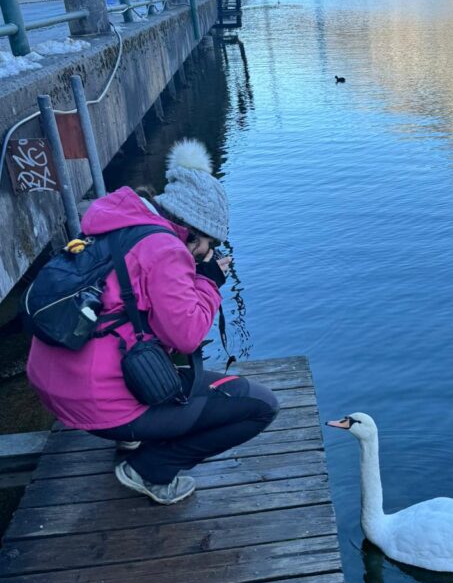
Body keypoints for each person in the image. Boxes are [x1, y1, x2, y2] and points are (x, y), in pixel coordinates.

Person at [26, 139, 279, 505]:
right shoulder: (165, 250)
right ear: (193, 232)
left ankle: (129, 437)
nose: (209, 251)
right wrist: (208, 281)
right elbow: (188, 336)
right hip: (96, 402)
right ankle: (149, 470)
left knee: (128, 331)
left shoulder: (115, 220)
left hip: (53, 386)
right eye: (209, 242)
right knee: (259, 405)